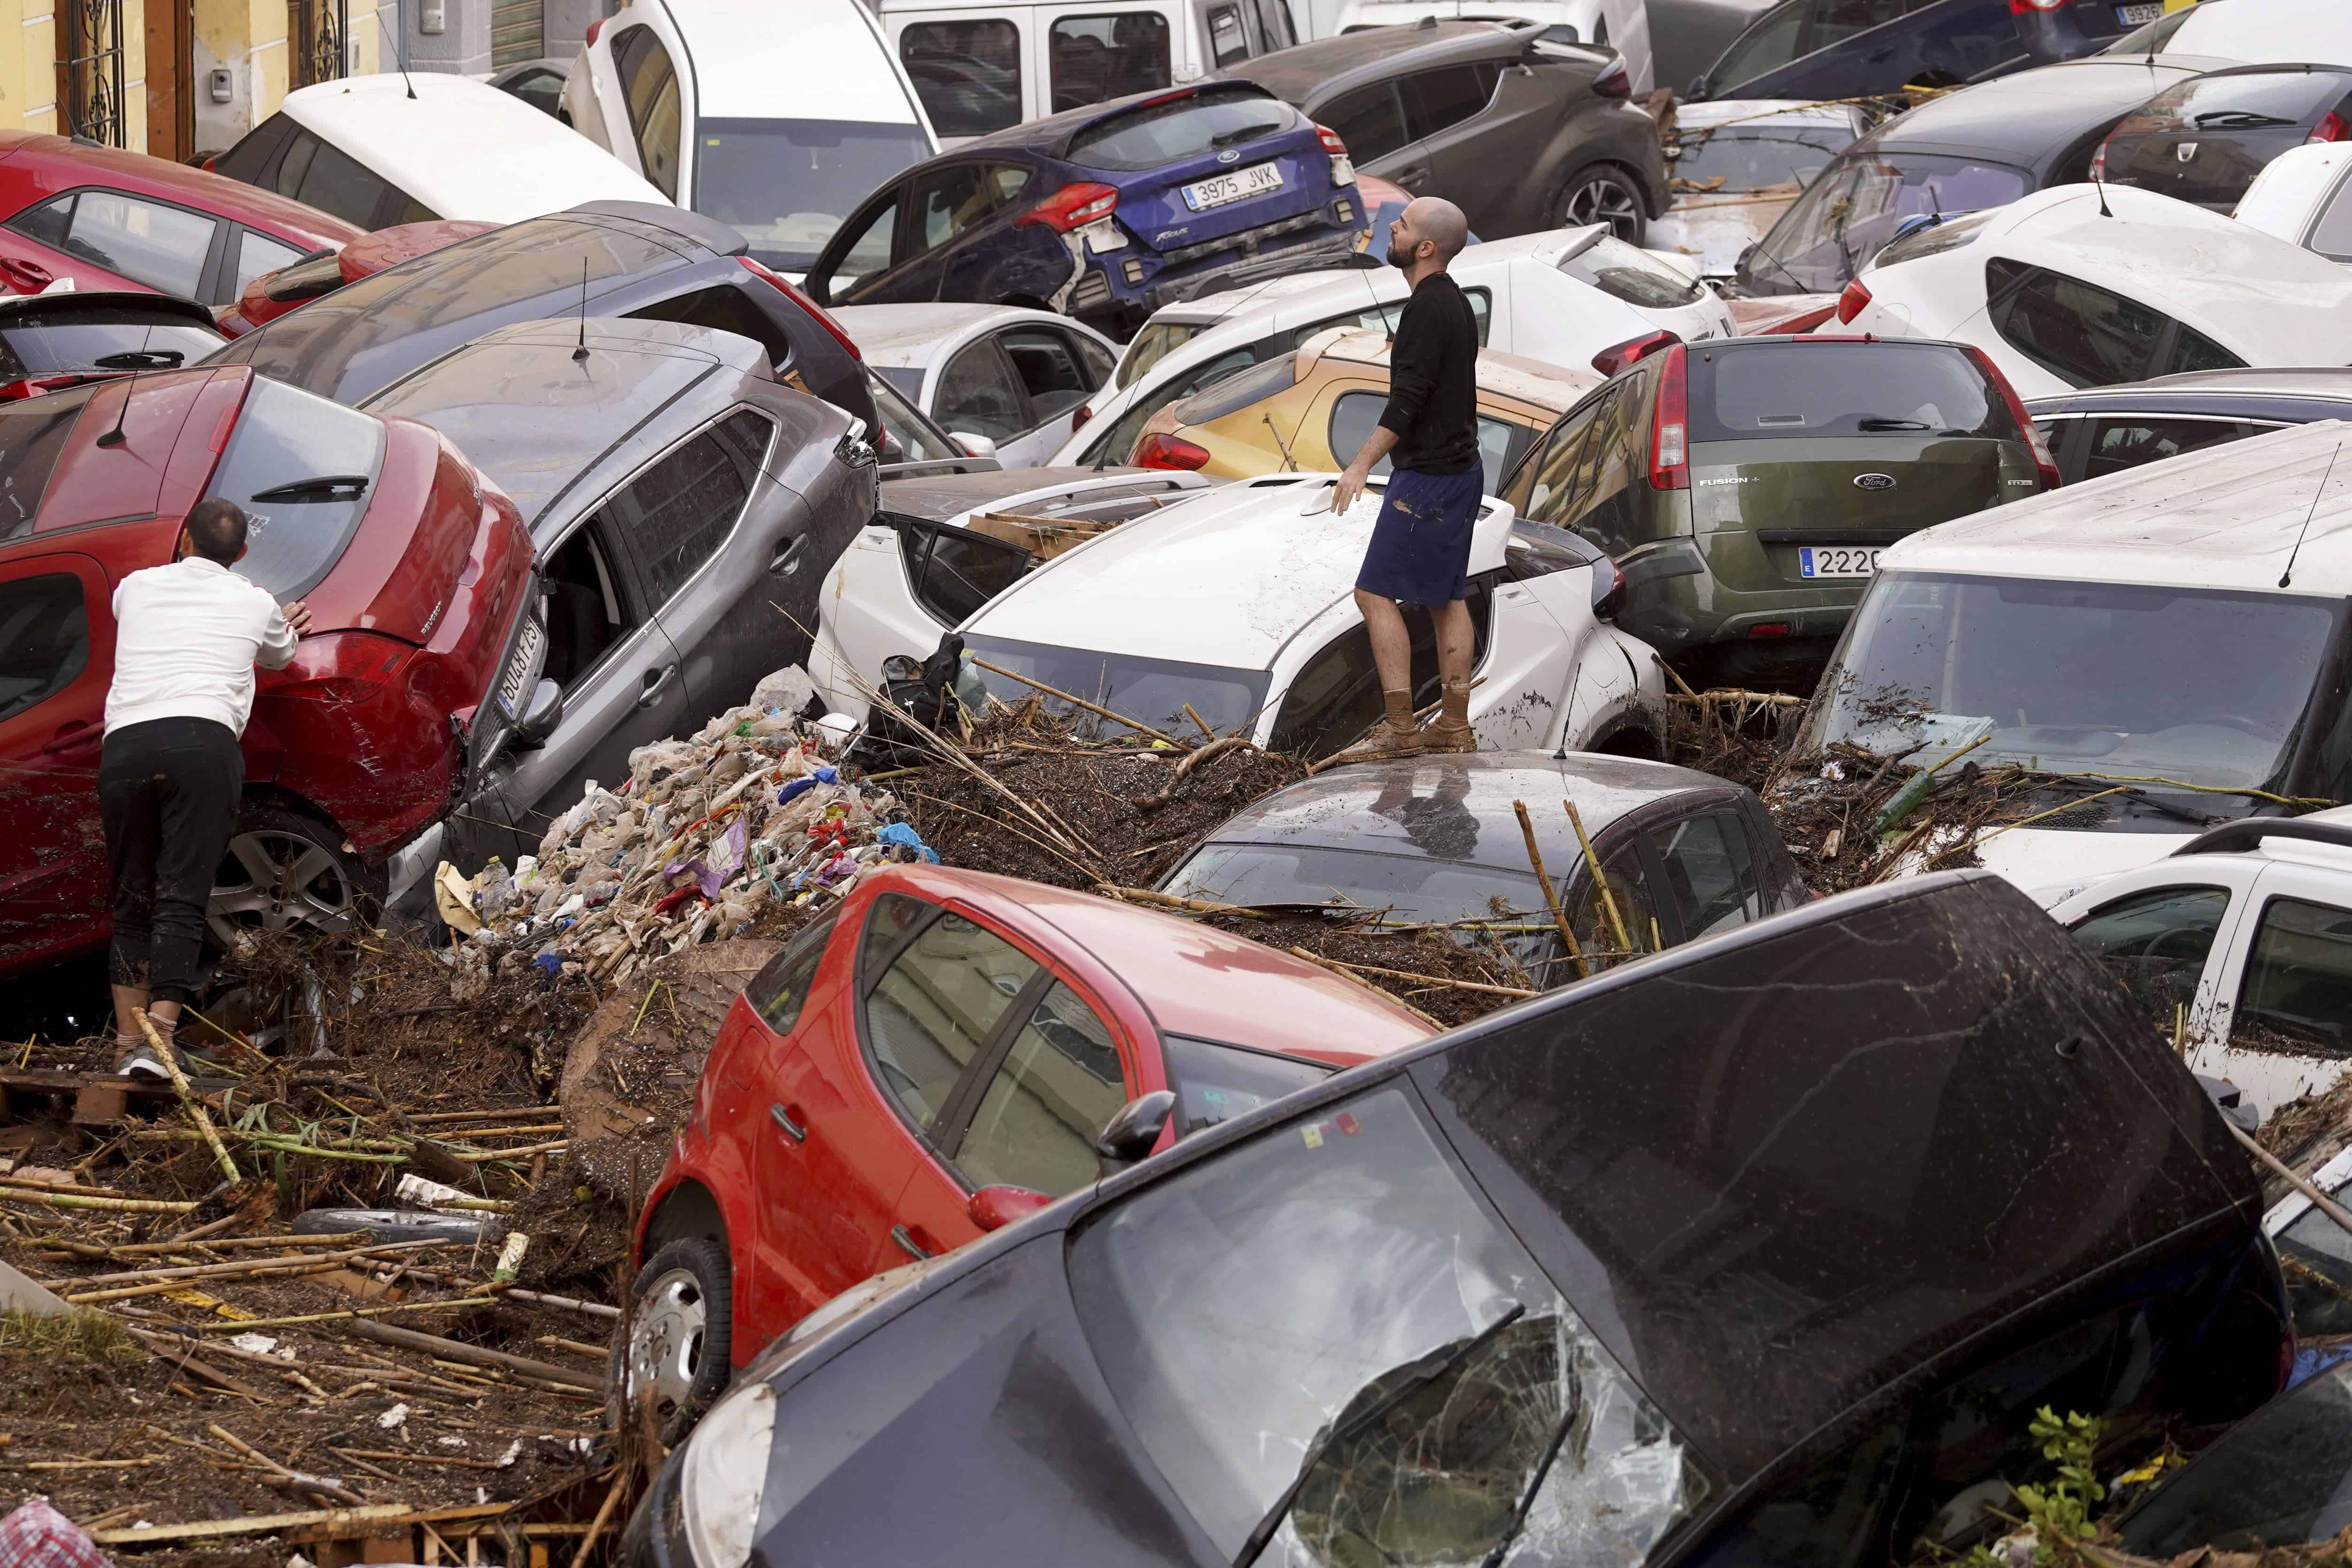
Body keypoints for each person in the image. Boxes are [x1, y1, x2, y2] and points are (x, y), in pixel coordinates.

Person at [102, 497, 310, 1078]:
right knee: (181, 895)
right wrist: (284, 620)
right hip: (203, 744)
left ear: (185, 540)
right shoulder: (255, 601)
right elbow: (282, 652)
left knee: (131, 899)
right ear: (241, 553)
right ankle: (159, 1045)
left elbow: (139, 619)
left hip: (126, 748)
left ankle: (126, 1047)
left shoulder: (136, 587)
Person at [1330, 196, 1482, 760]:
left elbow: (1407, 404)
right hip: (1462, 470)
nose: (1389, 227)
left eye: (1402, 225)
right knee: (1445, 596)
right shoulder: (1457, 304)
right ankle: (1455, 726)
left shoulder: (1425, 309)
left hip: (1429, 478)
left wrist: (1360, 464)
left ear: (1424, 248)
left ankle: (1400, 732)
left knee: (1373, 593)